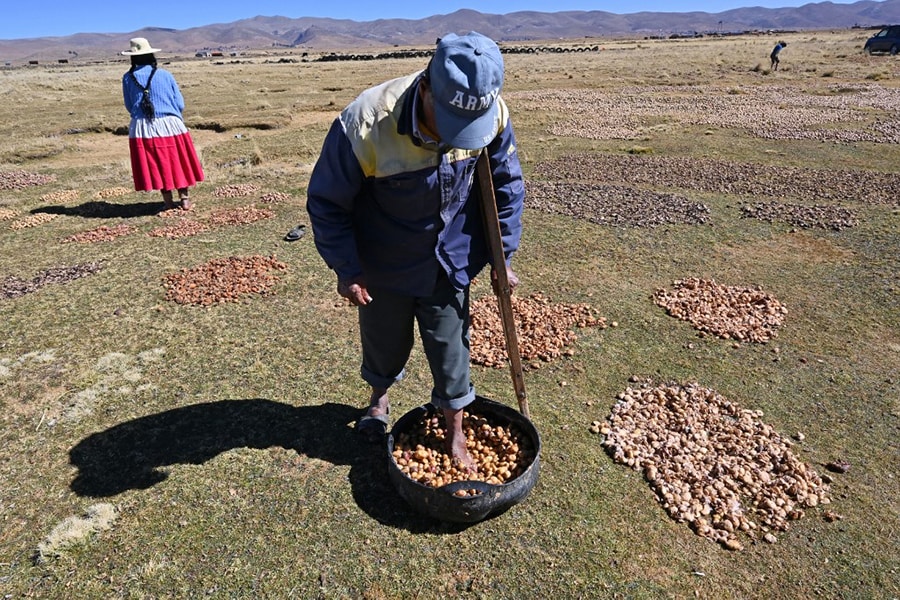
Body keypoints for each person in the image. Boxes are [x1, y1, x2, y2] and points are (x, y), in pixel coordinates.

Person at [306, 32, 525, 470]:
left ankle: (455, 430)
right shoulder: (366, 121)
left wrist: (503, 254)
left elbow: (505, 186)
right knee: (384, 341)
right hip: (383, 260)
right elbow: (328, 203)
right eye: (445, 120)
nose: (453, 137)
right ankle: (378, 400)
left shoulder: (493, 112)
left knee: (451, 348)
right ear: (425, 86)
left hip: (451, 258)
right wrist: (347, 269)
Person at [121, 37, 204, 211]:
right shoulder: (165, 75)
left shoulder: (128, 78)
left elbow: (130, 106)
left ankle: (167, 202)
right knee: (177, 160)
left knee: (156, 163)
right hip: (170, 123)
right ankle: (185, 199)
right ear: (151, 55)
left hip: (144, 127)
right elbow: (180, 103)